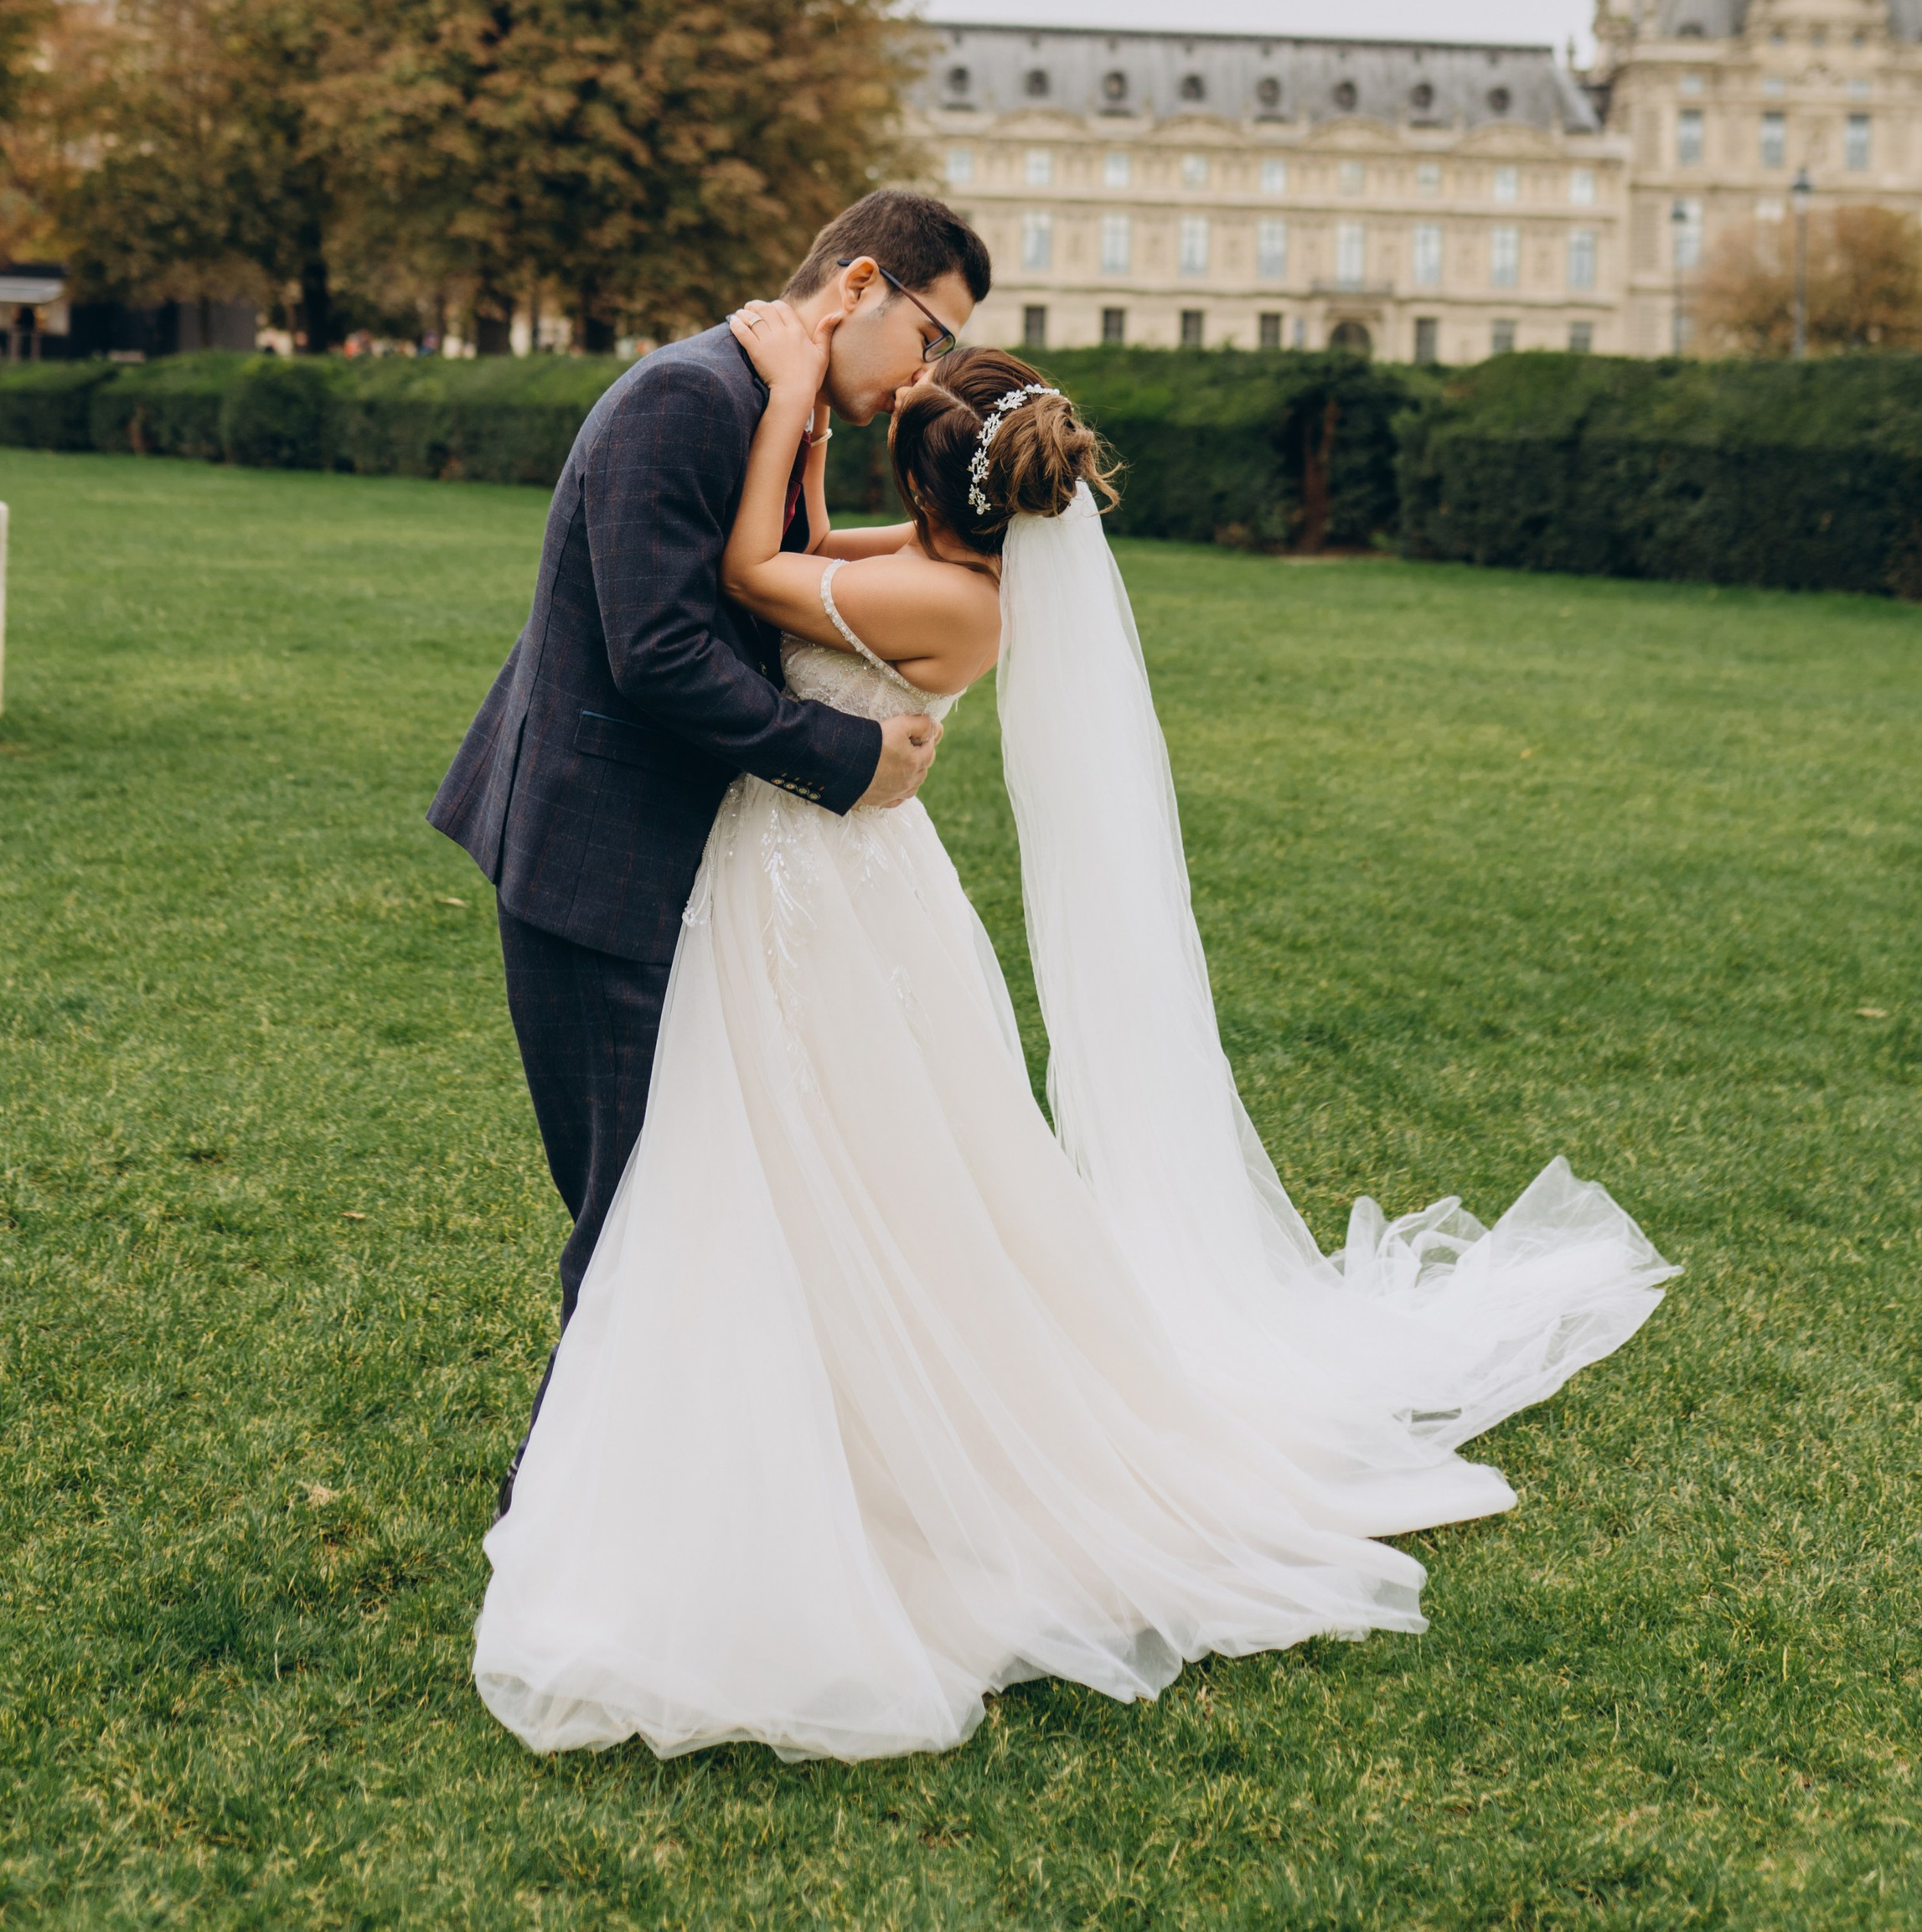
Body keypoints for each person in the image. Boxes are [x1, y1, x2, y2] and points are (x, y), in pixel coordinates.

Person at [467, 307, 1676, 1762]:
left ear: (927, 489)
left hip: (816, 893)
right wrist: (815, 438)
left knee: (830, 1161)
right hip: (812, 877)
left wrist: (789, 394)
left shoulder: (947, 604)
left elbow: (746, 573)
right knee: (817, 1163)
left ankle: (855, 1455)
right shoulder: (935, 571)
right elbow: (803, 544)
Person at [427, 190, 992, 1484]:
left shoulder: (767, 401)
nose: (927, 374)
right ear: (860, 284)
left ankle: (663, 1489)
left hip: (687, 864)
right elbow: (662, 654)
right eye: (931, 334)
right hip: (599, 861)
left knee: (685, 1195)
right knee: (637, 1206)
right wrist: (852, 759)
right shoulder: (688, 398)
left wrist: (805, 427)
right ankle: (569, 1513)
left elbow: (779, 582)